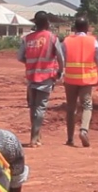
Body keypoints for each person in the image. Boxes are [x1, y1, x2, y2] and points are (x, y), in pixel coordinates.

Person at [18, 11, 65, 148]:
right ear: (47, 23)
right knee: (41, 107)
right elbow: (61, 58)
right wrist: (60, 71)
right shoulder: (52, 38)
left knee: (33, 108)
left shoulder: (27, 39)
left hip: (31, 77)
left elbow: (20, 57)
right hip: (46, 77)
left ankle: (37, 136)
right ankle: (34, 137)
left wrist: (31, 63)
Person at [61, 17, 98, 147]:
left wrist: (59, 74)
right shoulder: (92, 41)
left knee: (71, 108)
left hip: (70, 79)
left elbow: (62, 59)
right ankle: (83, 130)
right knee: (87, 105)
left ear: (75, 28)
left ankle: (70, 139)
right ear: (87, 28)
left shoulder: (67, 41)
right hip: (86, 79)